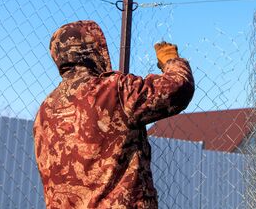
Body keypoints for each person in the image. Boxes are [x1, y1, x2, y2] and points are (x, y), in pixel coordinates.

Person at [33, 20, 194, 208]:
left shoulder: (45, 110)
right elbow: (178, 88)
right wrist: (170, 60)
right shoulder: (112, 90)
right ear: (93, 50)